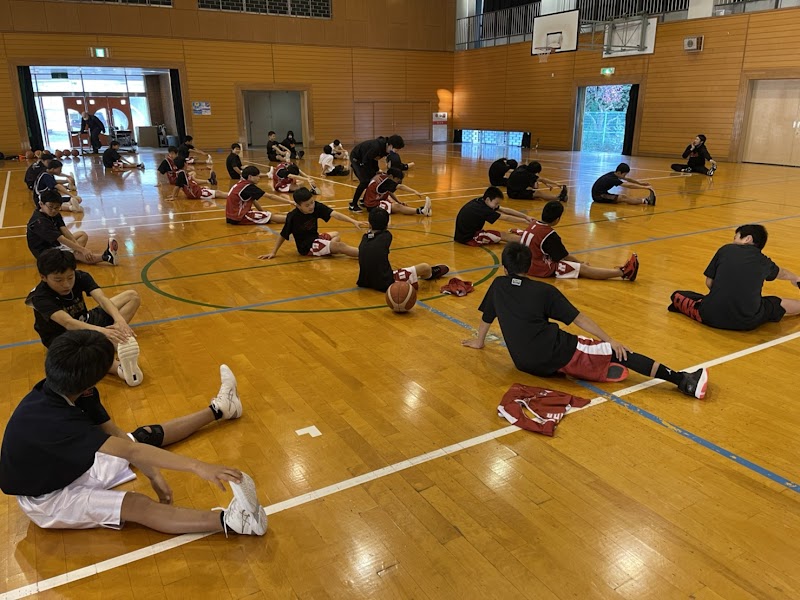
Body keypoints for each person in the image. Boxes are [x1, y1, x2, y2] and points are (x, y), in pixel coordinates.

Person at [0, 330, 267, 537]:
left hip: (63, 467)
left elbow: (117, 436)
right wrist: (199, 467)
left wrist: (153, 473)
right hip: (47, 498)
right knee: (137, 505)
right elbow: (129, 451)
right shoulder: (57, 423)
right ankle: (234, 522)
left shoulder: (67, 388)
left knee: (142, 436)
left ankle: (221, 409)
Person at [462, 242, 709, 399]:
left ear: (504, 268)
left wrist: (479, 341)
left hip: (523, 363)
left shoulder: (497, 285)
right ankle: (683, 381)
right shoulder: (544, 291)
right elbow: (579, 319)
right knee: (618, 352)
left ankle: (590, 367)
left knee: (584, 350)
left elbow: (487, 315)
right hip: (553, 353)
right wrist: (611, 340)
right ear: (531, 266)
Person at [25, 249, 141, 384]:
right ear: (43, 277)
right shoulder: (40, 297)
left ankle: (110, 341)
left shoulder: (81, 277)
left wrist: (119, 320)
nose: (66, 284)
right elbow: (68, 323)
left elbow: (102, 299)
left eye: (70, 277)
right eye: (58, 280)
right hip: (64, 338)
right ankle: (119, 369)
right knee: (82, 356)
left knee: (132, 296)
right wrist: (104, 332)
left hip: (85, 321)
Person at [668, 224, 800, 331]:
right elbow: (781, 273)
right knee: (775, 302)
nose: (733, 241)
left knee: (677, 295)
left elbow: (709, 282)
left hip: (710, 316)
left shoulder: (726, 249)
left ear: (747, 238)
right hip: (747, 322)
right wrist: (795, 278)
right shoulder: (764, 261)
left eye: (735, 237)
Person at [516, 201, 640, 281]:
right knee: (583, 269)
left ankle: (622, 272)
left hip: (525, 264)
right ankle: (623, 272)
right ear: (557, 219)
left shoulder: (532, 225)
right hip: (539, 268)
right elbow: (564, 256)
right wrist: (580, 263)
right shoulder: (549, 234)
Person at [258, 187, 366, 260]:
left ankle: (328, 249)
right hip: (307, 247)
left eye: (312, 202)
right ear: (298, 205)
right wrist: (273, 252)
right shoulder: (293, 216)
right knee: (340, 246)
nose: (311, 207)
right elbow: (283, 235)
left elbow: (335, 214)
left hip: (316, 238)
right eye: (307, 205)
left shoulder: (316, 207)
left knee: (336, 234)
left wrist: (354, 221)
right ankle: (368, 255)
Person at [357, 208, 448, 292]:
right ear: (386, 224)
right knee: (425, 267)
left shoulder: (364, 237)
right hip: (385, 282)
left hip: (364, 281)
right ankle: (430, 274)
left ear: (369, 223)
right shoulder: (387, 236)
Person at [27, 190, 116, 265]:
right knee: (75, 253)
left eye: (57, 207)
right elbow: (61, 239)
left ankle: (71, 257)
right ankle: (106, 257)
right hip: (46, 253)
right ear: (41, 204)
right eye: (50, 207)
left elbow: (65, 231)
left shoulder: (55, 214)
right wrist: (82, 250)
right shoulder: (39, 221)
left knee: (82, 235)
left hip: (55, 245)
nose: (54, 210)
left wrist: (76, 247)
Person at [453, 186, 533, 246]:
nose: (497, 206)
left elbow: (504, 209)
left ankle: (524, 236)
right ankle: (530, 240)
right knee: (503, 235)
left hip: (463, 234)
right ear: (488, 199)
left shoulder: (481, 201)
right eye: (496, 203)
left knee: (501, 234)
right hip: (469, 238)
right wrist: (525, 221)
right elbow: (506, 217)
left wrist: (526, 216)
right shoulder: (483, 209)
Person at [349, 135, 402, 212]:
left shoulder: (385, 149)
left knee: (372, 180)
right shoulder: (376, 147)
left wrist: (376, 171)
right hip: (357, 158)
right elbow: (366, 161)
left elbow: (374, 159)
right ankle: (353, 204)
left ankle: (365, 200)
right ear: (391, 145)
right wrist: (374, 175)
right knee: (365, 181)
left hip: (366, 159)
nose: (397, 151)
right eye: (397, 149)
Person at [225, 166, 293, 225]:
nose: (259, 177)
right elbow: (271, 196)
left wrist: (262, 211)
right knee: (270, 216)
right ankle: (295, 220)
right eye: (257, 176)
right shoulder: (248, 187)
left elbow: (253, 200)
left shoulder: (241, 184)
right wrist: (291, 202)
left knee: (266, 215)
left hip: (231, 217)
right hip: (239, 217)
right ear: (250, 177)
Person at [363, 168, 432, 217]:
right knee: (398, 207)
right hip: (373, 205)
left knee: (398, 205)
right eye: (397, 179)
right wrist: (414, 191)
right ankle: (421, 211)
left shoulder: (383, 177)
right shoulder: (386, 181)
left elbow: (389, 191)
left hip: (374, 200)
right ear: (391, 176)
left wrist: (398, 201)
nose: (397, 182)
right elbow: (401, 187)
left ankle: (423, 210)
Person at [591, 163, 656, 206]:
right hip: (599, 196)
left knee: (622, 197)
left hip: (601, 193)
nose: (625, 176)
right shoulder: (612, 179)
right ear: (619, 172)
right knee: (623, 198)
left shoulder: (614, 173)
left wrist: (640, 183)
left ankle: (644, 201)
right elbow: (629, 185)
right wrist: (645, 188)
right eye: (624, 174)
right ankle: (646, 201)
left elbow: (628, 179)